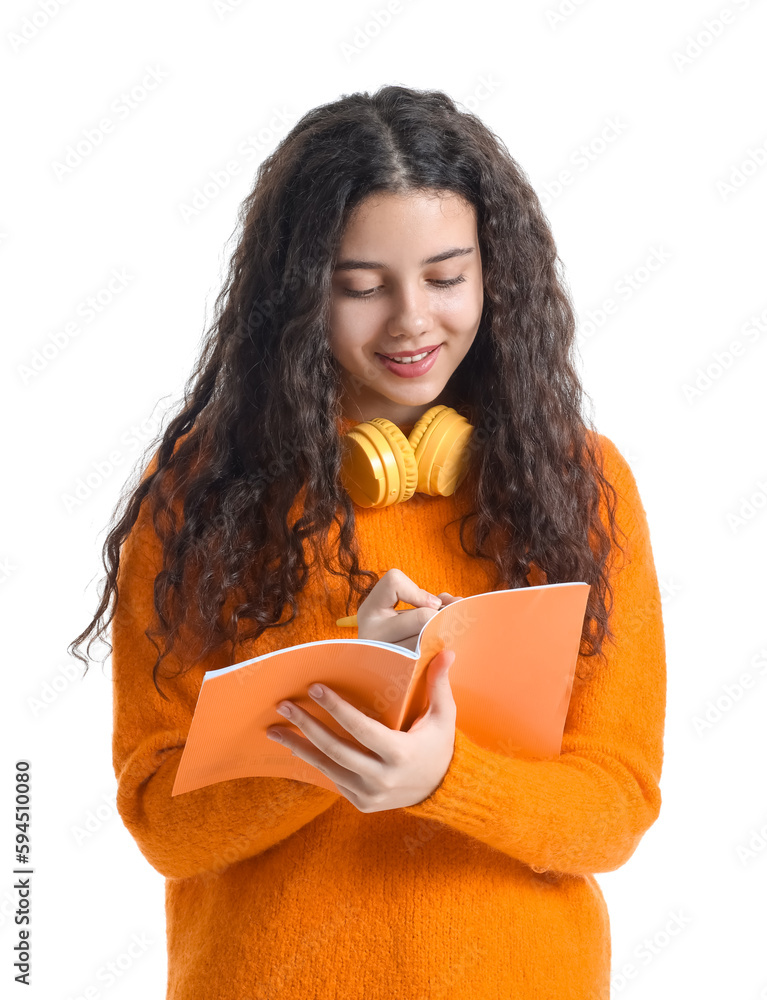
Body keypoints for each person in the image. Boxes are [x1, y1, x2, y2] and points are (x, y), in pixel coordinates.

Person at [70, 84, 666, 1000]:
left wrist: (443, 779)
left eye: (444, 276)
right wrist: (345, 681)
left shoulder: (585, 485)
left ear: (494, 273)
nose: (410, 321)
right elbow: (163, 825)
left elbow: (613, 810)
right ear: (297, 294)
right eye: (359, 287)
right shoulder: (199, 496)